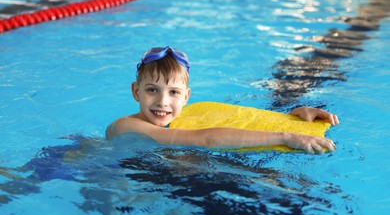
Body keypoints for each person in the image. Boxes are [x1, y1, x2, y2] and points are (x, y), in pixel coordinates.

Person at [106, 46, 339, 154]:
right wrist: (287, 136)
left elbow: (242, 121)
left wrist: (287, 118)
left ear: (186, 97)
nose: (162, 102)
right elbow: (206, 138)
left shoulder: (182, 119)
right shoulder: (126, 126)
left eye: (173, 92)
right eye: (152, 90)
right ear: (136, 92)